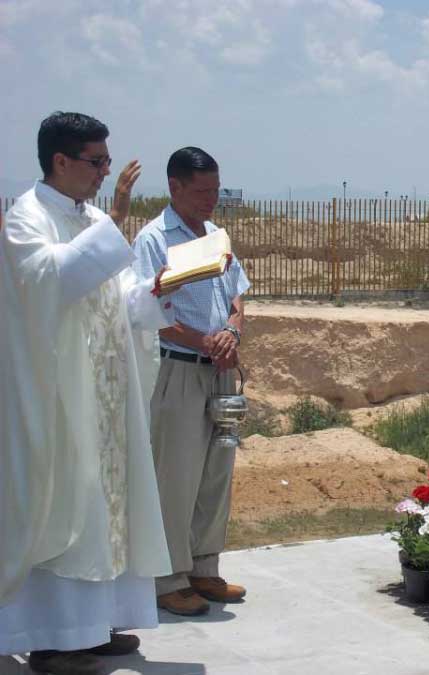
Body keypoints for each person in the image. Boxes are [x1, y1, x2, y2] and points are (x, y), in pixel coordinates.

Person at [0, 112, 174, 675]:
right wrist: (116, 225)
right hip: (60, 399)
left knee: (105, 510)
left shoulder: (92, 217)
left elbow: (116, 294)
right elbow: (47, 284)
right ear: (61, 161)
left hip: (105, 395)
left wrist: (156, 290)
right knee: (64, 507)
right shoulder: (25, 218)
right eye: (96, 162)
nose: (104, 172)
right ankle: (51, 637)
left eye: (105, 161)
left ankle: (93, 628)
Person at [133, 147, 250, 616]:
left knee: (214, 476)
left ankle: (205, 568)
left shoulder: (217, 235)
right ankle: (169, 578)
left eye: (216, 190)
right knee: (176, 477)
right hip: (178, 368)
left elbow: (237, 294)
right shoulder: (153, 240)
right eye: (201, 191)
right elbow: (149, 314)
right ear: (174, 187)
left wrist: (232, 332)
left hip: (218, 371)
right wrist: (204, 341)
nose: (211, 200)